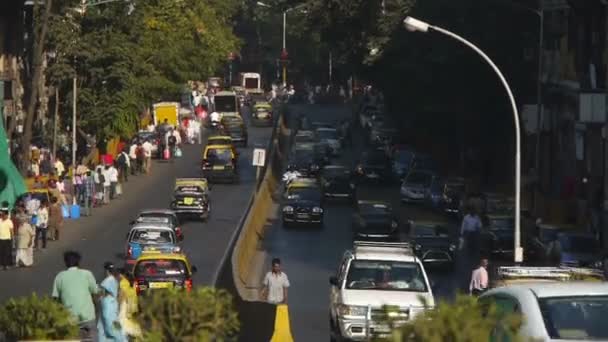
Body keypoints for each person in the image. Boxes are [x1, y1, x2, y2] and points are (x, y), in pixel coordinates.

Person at [52, 251, 99, 341]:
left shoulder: (60, 276)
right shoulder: (87, 274)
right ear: (78, 262)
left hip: (70, 320)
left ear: (65, 262)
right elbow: (95, 292)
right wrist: (96, 308)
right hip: (88, 317)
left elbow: (55, 299)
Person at [98, 262, 126, 341]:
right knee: (114, 323)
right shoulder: (115, 279)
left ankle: (120, 339)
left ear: (106, 270)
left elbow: (102, 293)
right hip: (113, 304)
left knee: (110, 325)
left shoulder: (108, 280)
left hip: (109, 305)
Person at [118, 269, 141, 339]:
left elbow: (122, 295)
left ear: (122, 275)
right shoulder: (135, 283)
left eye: (119, 274)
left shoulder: (123, 282)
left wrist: (118, 306)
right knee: (134, 324)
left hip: (127, 305)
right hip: (134, 305)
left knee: (125, 325)